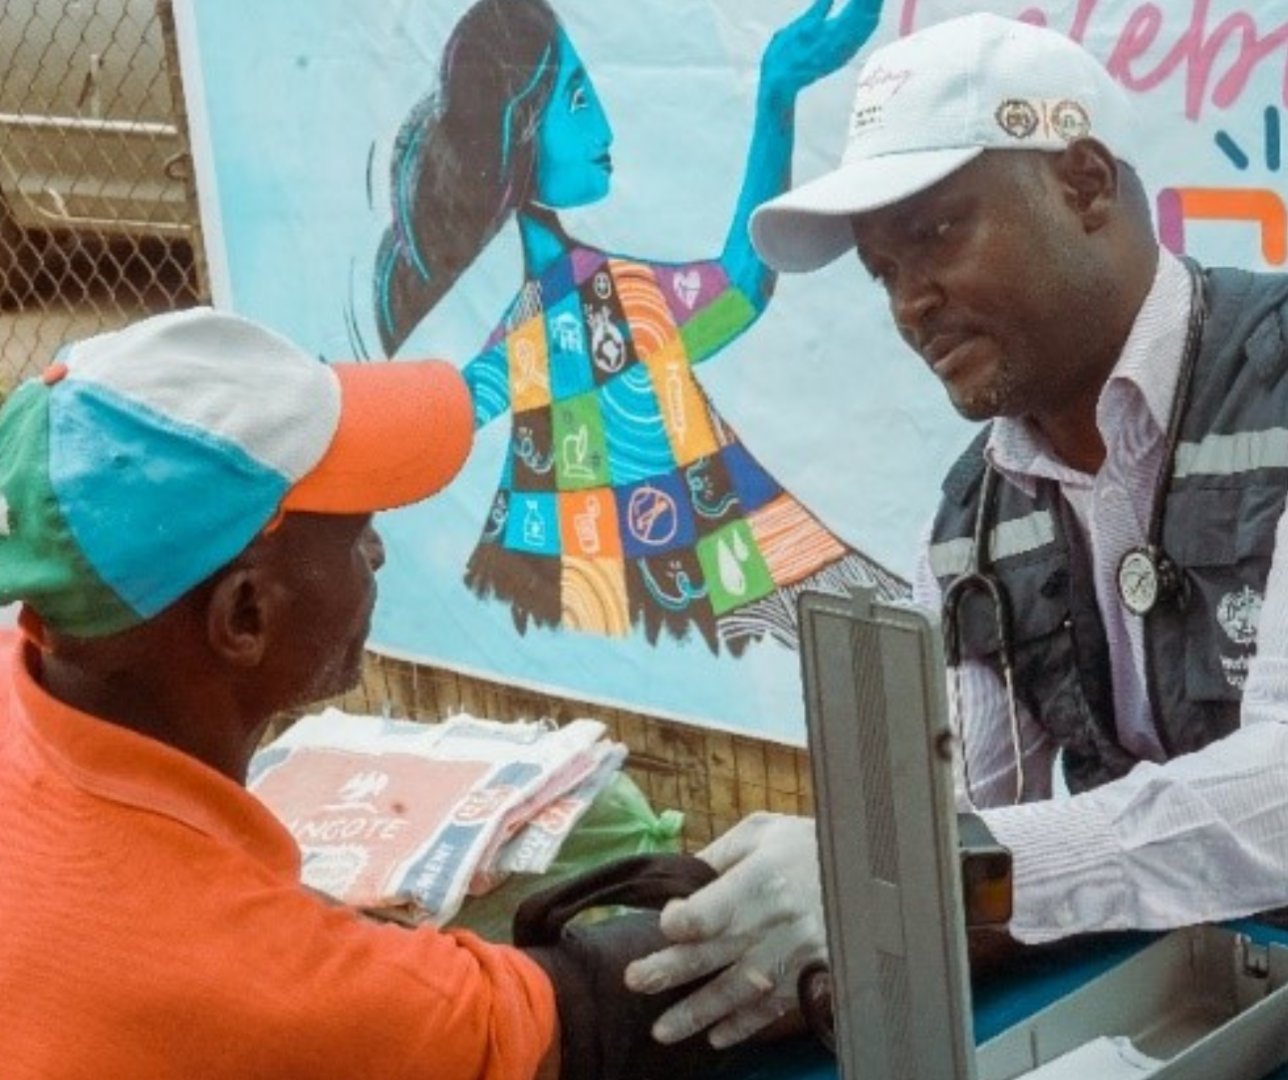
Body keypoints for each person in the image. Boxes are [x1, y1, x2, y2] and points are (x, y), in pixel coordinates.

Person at [623, 11, 1288, 1050]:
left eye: (935, 235)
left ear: (1083, 185)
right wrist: (790, 915)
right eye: (881, 270)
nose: (910, 303)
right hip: (1196, 1003)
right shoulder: (970, 517)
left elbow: (1279, 799)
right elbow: (971, 812)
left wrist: (923, 881)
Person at [0, 307, 724, 1079]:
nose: (377, 550)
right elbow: (574, 1017)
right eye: (353, 530)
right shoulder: (260, 976)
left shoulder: (45, 661)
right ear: (245, 615)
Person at [370, 0, 905, 656]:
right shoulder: (567, 305)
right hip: (611, 617)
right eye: (575, 98)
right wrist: (774, 97)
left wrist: (776, 95)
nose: (602, 127)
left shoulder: (593, 295)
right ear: (522, 129)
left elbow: (738, 287)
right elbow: (739, 288)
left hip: (624, 613)